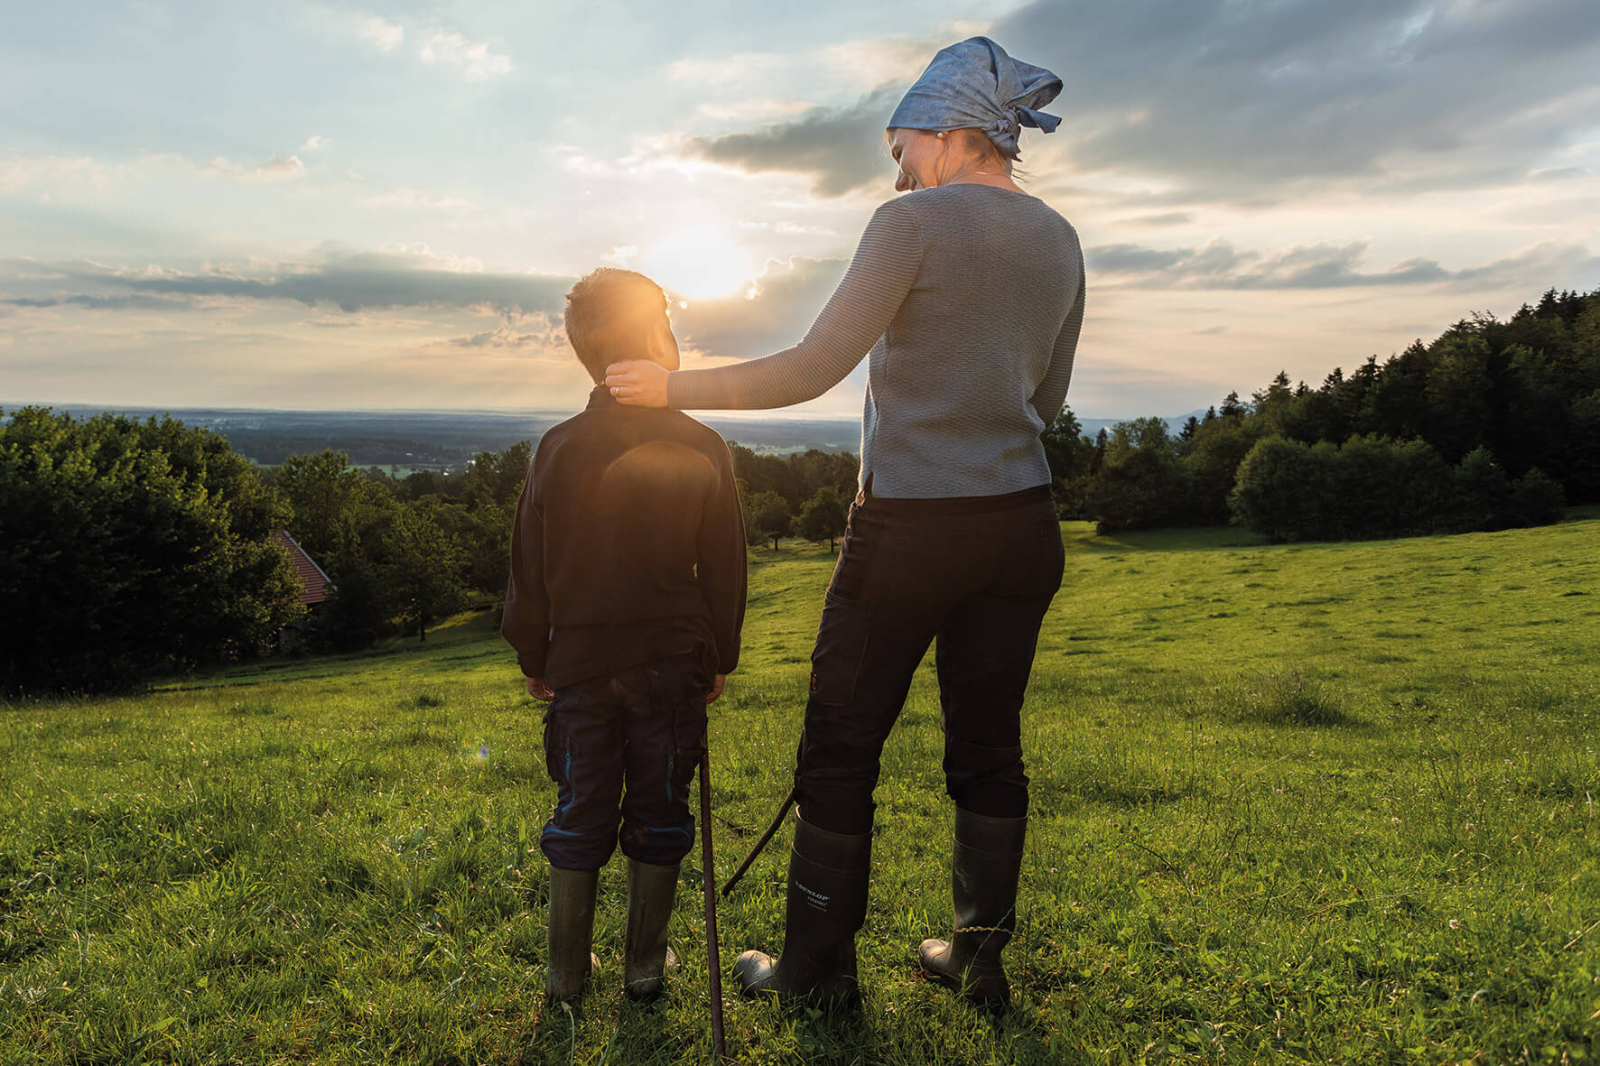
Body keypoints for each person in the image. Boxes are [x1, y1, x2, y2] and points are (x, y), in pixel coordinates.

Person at [604, 36, 1083, 1011]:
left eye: (900, 144)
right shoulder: (1060, 238)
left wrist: (671, 388)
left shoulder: (911, 222)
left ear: (950, 133)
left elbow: (811, 365)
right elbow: (1051, 395)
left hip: (910, 527)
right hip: (1021, 523)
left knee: (838, 745)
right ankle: (977, 961)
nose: (896, 165)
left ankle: (814, 977)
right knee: (988, 743)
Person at [502, 267, 748, 1003]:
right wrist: (721, 653)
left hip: (578, 667)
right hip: (672, 669)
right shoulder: (704, 444)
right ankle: (644, 967)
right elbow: (727, 567)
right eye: (667, 322)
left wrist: (534, 652)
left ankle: (566, 976)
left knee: (581, 806)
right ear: (649, 339)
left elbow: (528, 565)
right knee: (661, 807)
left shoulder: (557, 447)